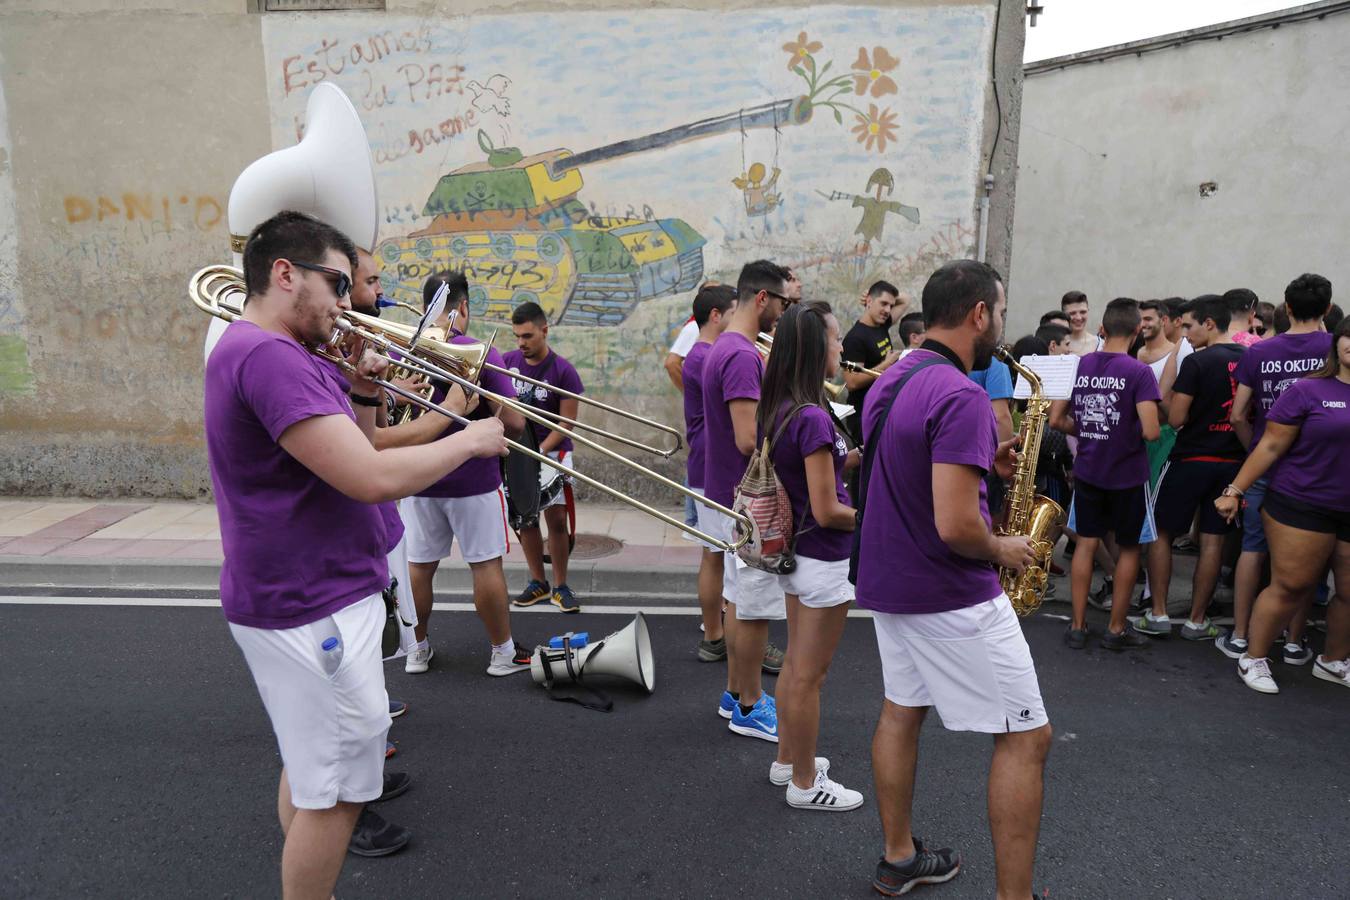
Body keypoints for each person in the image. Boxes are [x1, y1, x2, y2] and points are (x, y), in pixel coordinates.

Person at [207, 211, 507, 896]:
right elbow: (370, 479)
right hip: (308, 602)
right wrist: (468, 439)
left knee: (317, 773)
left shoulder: (289, 354)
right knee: (335, 792)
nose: (349, 303)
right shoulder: (268, 357)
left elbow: (362, 447)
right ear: (285, 274)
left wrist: (366, 390)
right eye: (338, 284)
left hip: (319, 593)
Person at [859, 261, 1049, 898]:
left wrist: (982, 463)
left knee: (901, 712)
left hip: (891, 583)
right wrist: (1006, 548)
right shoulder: (963, 393)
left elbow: (901, 461)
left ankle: (899, 858)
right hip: (949, 592)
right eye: (1000, 309)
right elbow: (956, 528)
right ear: (978, 313)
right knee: (1027, 737)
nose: (1001, 322)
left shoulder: (897, 376)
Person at [758, 301, 864, 810]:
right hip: (822, 557)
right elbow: (827, 510)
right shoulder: (815, 420)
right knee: (809, 677)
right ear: (815, 348)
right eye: (837, 339)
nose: (842, 348)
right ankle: (805, 784)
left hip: (797, 557)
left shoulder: (781, 409)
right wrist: (872, 518)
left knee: (797, 669)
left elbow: (811, 480)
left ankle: (786, 761)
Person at [399, 271, 530, 677]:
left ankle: (416, 650)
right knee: (486, 565)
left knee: (419, 567)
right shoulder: (478, 351)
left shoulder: (405, 349)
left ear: (425, 308)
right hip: (474, 478)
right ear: (464, 307)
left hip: (419, 477)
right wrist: (489, 398)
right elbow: (517, 424)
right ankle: (502, 653)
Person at [1215, 316, 1350, 693]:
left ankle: (1333, 661)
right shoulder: (1308, 391)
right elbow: (1270, 445)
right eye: (1348, 336)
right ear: (1335, 343)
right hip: (1301, 502)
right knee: (1291, 585)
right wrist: (1235, 490)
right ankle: (1253, 657)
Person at [702, 259, 790, 740]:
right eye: (781, 303)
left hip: (730, 495)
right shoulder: (739, 355)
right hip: (747, 500)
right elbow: (745, 438)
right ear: (762, 299)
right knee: (753, 605)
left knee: (738, 599)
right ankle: (752, 704)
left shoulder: (729, 347)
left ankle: (736, 693)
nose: (782, 312)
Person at [1050, 299, 1160, 650]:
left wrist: (1089, 429)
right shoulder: (1139, 372)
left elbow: (1056, 420)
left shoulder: (1080, 365)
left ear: (1102, 329)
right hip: (1127, 473)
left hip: (1089, 470)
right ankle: (1115, 629)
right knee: (1129, 549)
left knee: (1085, 542)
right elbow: (1152, 431)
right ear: (1137, 331)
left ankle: (1078, 626)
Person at [1137, 295, 1245, 640]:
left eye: (1188, 325)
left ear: (1209, 323)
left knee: (1162, 533)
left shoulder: (1198, 363)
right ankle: (1198, 621)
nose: (1184, 333)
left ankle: (1158, 614)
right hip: (1230, 463)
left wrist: (1162, 391)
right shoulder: (1248, 359)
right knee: (1213, 542)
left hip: (1189, 459)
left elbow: (1177, 418)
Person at [504, 302, 586, 614]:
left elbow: (567, 422)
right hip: (518, 455)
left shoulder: (563, 370)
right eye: (517, 336)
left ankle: (561, 586)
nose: (521, 343)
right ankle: (538, 582)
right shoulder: (507, 362)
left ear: (544, 331)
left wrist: (538, 453)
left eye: (527, 335)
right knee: (525, 519)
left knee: (557, 520)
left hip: (553, 453)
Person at [681, 283, 737, 661]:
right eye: (735, 310)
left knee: (715, 554)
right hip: (715, 465)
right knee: (726, 556)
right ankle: (727, 636)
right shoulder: (707, 357)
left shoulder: (703, 354)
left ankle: (717, 636)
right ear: (716, 315)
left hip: (708, 463)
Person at [841, 280, 902, 444]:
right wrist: (886, 364)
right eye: (883, 303)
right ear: (868, 301)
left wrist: (881, 295)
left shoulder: (882, 324)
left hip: (880, 408)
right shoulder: (855, 338)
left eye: (891, 305)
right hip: (863, 414)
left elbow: (906, 300)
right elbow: (852, 382)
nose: (888, 310)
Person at [1062, 290, 1098, 356]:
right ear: (1063, 315)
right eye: (1072, 313)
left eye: (1083, 312)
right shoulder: (1056, 346)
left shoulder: (1099, 345)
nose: (1078, 318)